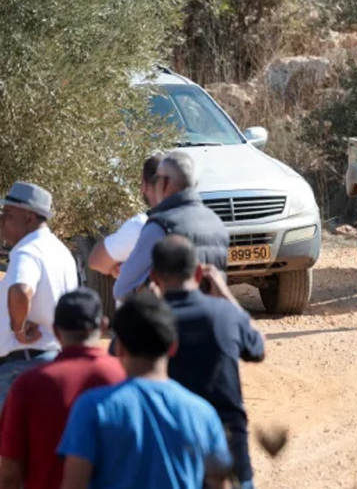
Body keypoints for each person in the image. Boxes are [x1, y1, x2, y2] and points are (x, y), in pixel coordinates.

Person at [58, 291, 233, 489]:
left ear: (119, 348)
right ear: (173, 346)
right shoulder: (203, 413)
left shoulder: (92, 408)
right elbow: (219, 480)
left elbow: (74, 484)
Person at [148, 235, 265, 489]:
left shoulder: (147, 322)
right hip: (228, 445)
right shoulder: (225, 314)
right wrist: (226, 295)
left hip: (169, 450)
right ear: (199, 273)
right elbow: (257, 348)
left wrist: (148, 303)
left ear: (154, 277)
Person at [0, 288, 125, 489]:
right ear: (103, 325)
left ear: (56, 331)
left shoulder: (28, 385)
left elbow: (10, 472)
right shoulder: (125, 378)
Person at [0, 182, 78, 405]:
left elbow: (21, 290)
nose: (2, 220)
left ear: (29, 216)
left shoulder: (27, 250)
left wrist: (18, 329)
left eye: (8, 214)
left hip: (21, 365)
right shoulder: (61, 252)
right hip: (51, 361)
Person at [113, 150, 229, 301]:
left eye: (157, 179)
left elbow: (121, 290)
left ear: (165, 183)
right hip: (212, 312)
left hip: (172, 313)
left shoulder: (160, 226)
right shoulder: (217, 223)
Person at [88, 154, 164, 280]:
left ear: (144, 186)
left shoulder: (140, 226)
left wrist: (124, 269)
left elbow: (96, 260)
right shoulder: (196, 220)